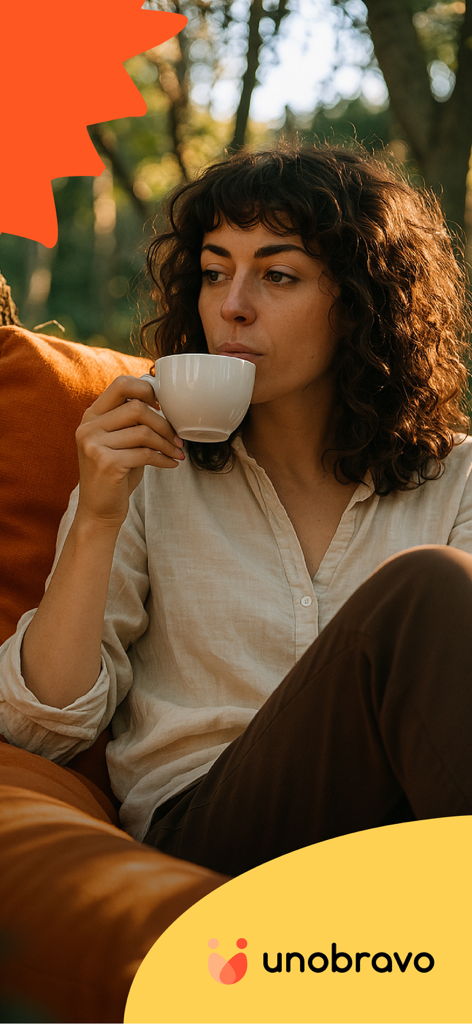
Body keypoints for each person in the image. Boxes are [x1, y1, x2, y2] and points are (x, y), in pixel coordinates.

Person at [1, 143, 472, 878]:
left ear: (362, 300)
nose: (231, 305)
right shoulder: (148, 470)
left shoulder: (458, 478)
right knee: (430, 586)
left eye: (278, 275)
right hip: (212, 832)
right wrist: (95, 516)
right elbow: (41, 729)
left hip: (398, 838)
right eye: (215, 272)